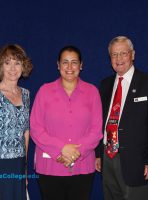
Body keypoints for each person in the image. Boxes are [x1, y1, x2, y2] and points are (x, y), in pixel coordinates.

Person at [96, 36, 148, 200]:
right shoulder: (105, 85)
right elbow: (100, 122)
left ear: (133, 54)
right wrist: (98, 154)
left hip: (138, 162)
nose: (119, 58)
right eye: (114, 54)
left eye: (123, 53)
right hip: (108, 159)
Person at [30, 45, 102, 200]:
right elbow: (36, 128)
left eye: (74, 62)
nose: (69, 67)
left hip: (83, 167)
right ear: (58, 65)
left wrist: (76, 153)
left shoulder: (92, 92)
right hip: (50, 166)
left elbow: (96, 131)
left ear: (81, 65)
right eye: (65, 62)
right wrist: (61, 149)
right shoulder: (44, 91)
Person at [0, 44, 33, 200]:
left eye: (17, 63)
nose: (12, 68)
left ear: (23, 66)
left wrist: (25, 169)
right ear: (0, 66)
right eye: (7, 63)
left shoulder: (26, 94)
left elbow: (26, 134)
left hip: (18, 165)